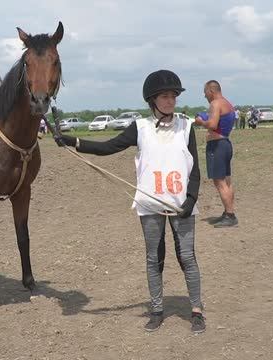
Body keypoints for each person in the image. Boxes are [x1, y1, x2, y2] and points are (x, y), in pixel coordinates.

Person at [54, 70, 206, 334]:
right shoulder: (141, 128)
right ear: (153, 100)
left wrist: (191, 199)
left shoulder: (186, 126)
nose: (171, 101)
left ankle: (196, 310)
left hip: (182, 205)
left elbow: (195, 169)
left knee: (187, 258)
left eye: (173, 96)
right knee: (153, 258)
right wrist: (72, 141)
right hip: (150, 206)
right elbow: (107, 147)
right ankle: (157, 310)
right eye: (165, 96)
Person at [193, 80, 238, 227]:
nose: (204, 95)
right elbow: (220, 123)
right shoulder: (227, 104)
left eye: (205, 92)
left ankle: (230, 216)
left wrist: (200, 122)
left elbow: (212, 125)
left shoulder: (215, 104)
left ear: (211, 91)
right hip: (225, 143)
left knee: (219, 182)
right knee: (226, 181)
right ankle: (228, 212)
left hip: (217, 146)